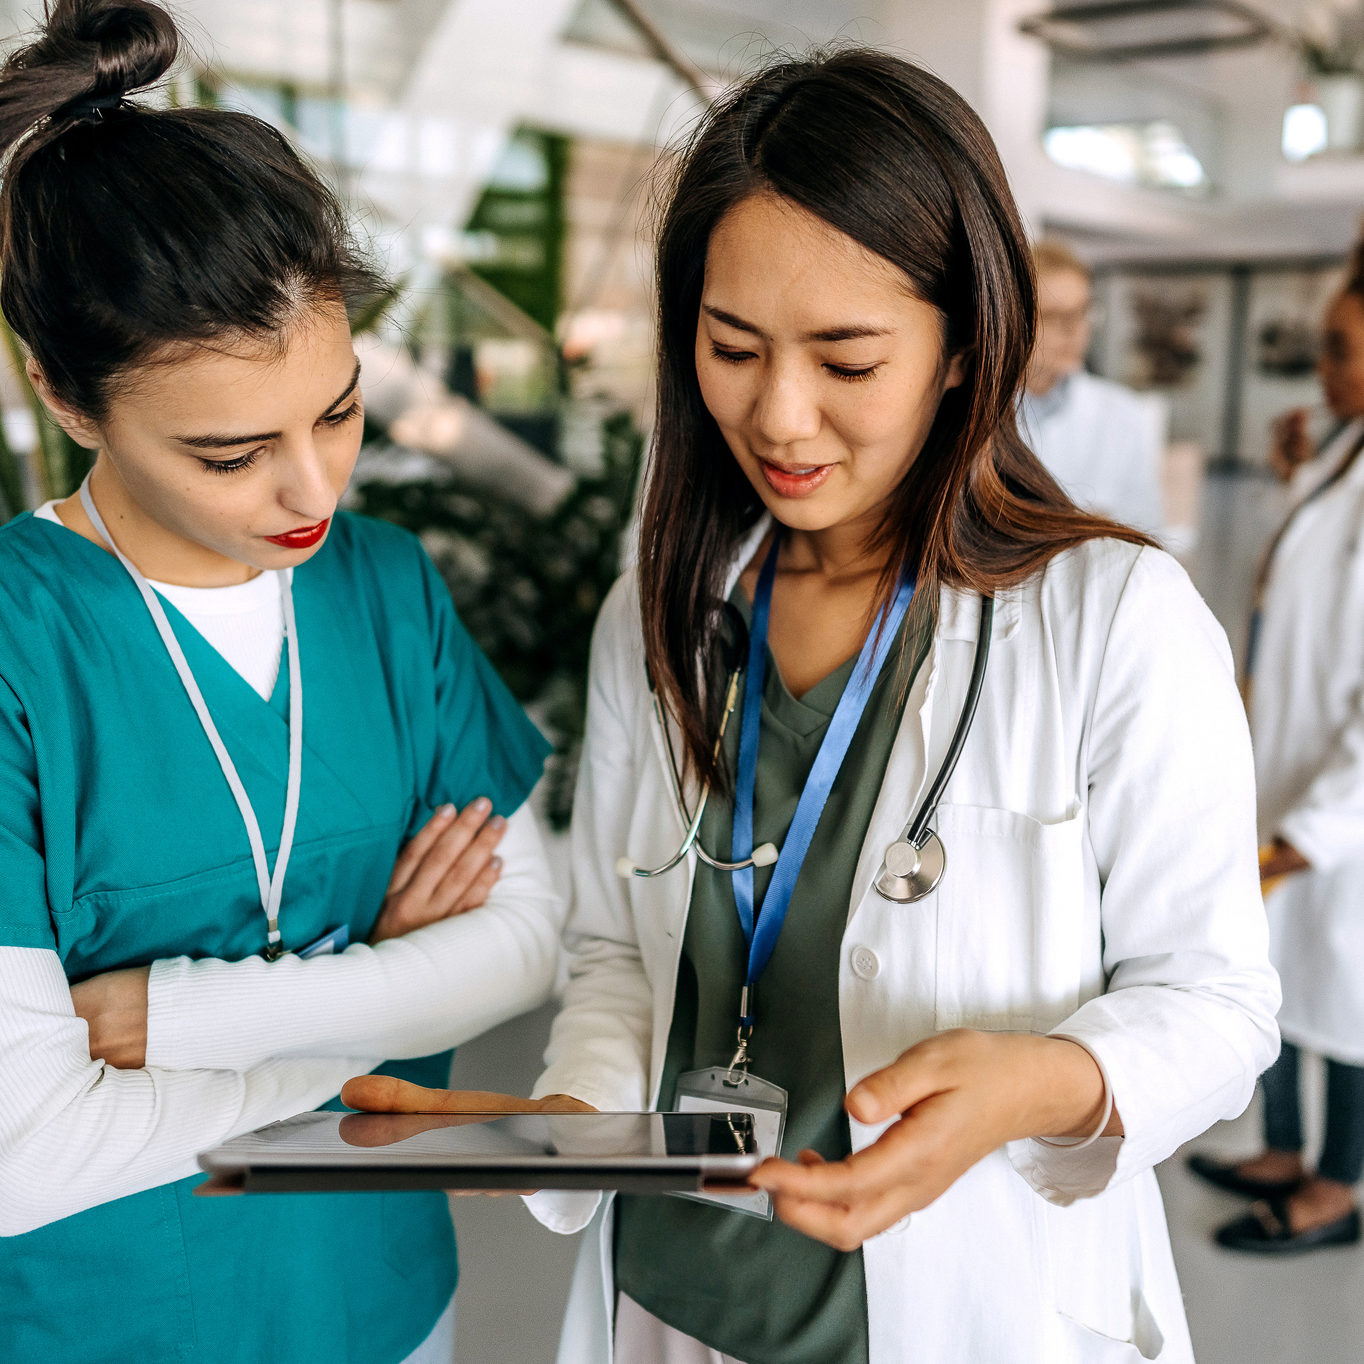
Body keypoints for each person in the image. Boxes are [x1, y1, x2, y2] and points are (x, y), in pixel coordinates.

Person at [346, 49, 1280, 1363]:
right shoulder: (662, 611)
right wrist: (570, 1115)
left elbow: (1220, 1005)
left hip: (966, 1298)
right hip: (672, 1292)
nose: (780, 416)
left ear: (967, 346)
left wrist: (1042, 1082)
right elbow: (622, 951)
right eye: (732, 348)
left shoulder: (1113, 619)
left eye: (848, 359)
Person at [0, 3, 564, 1361]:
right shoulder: (23, 649)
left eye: (338, 409)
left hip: (387, 1302)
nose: (315, 489)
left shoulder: (384, 586)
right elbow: (22, 1153)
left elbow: (532, 940)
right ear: (66, 399)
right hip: (109, 1321)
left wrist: (174, 1019)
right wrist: (393, 988)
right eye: (229, 452)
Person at [1188, 259, 1364, 1255]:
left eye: (1338, 351)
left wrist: (1310, 829)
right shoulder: (1343, 455)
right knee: (1285, 972)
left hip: (1335, 807)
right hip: (1289, 772)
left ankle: (1334, 1186)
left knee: (1343, 999)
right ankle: (1282, 1147)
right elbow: (1299, 600)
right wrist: (1293, 473)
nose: (1322, 369)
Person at [1020, 240, 1169, 540]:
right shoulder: (971, 410)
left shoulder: (1125, 415)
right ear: (1016, 318)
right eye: (1054, 315)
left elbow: (1149, 535)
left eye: (1082, 312)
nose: (1074, 330)